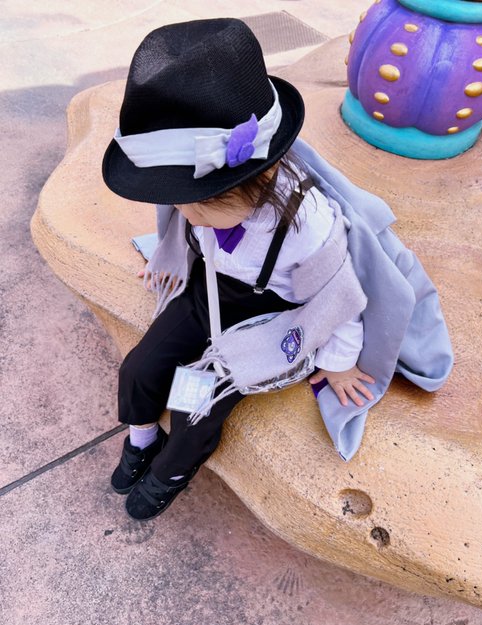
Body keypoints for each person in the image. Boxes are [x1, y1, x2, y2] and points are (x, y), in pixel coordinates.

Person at [102, 18, 453, 520]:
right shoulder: (197, 203)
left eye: (202, 206)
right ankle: (141, 437)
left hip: (271, 314)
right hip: (210, 291)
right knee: (140, 366)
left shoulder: (307, 227)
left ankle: (171, 471)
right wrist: (171, 252)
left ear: (261, 176)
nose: (188, 215)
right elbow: (184, 229)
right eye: (180, 202)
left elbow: (339, 298)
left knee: (195, 405)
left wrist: (339, 362)